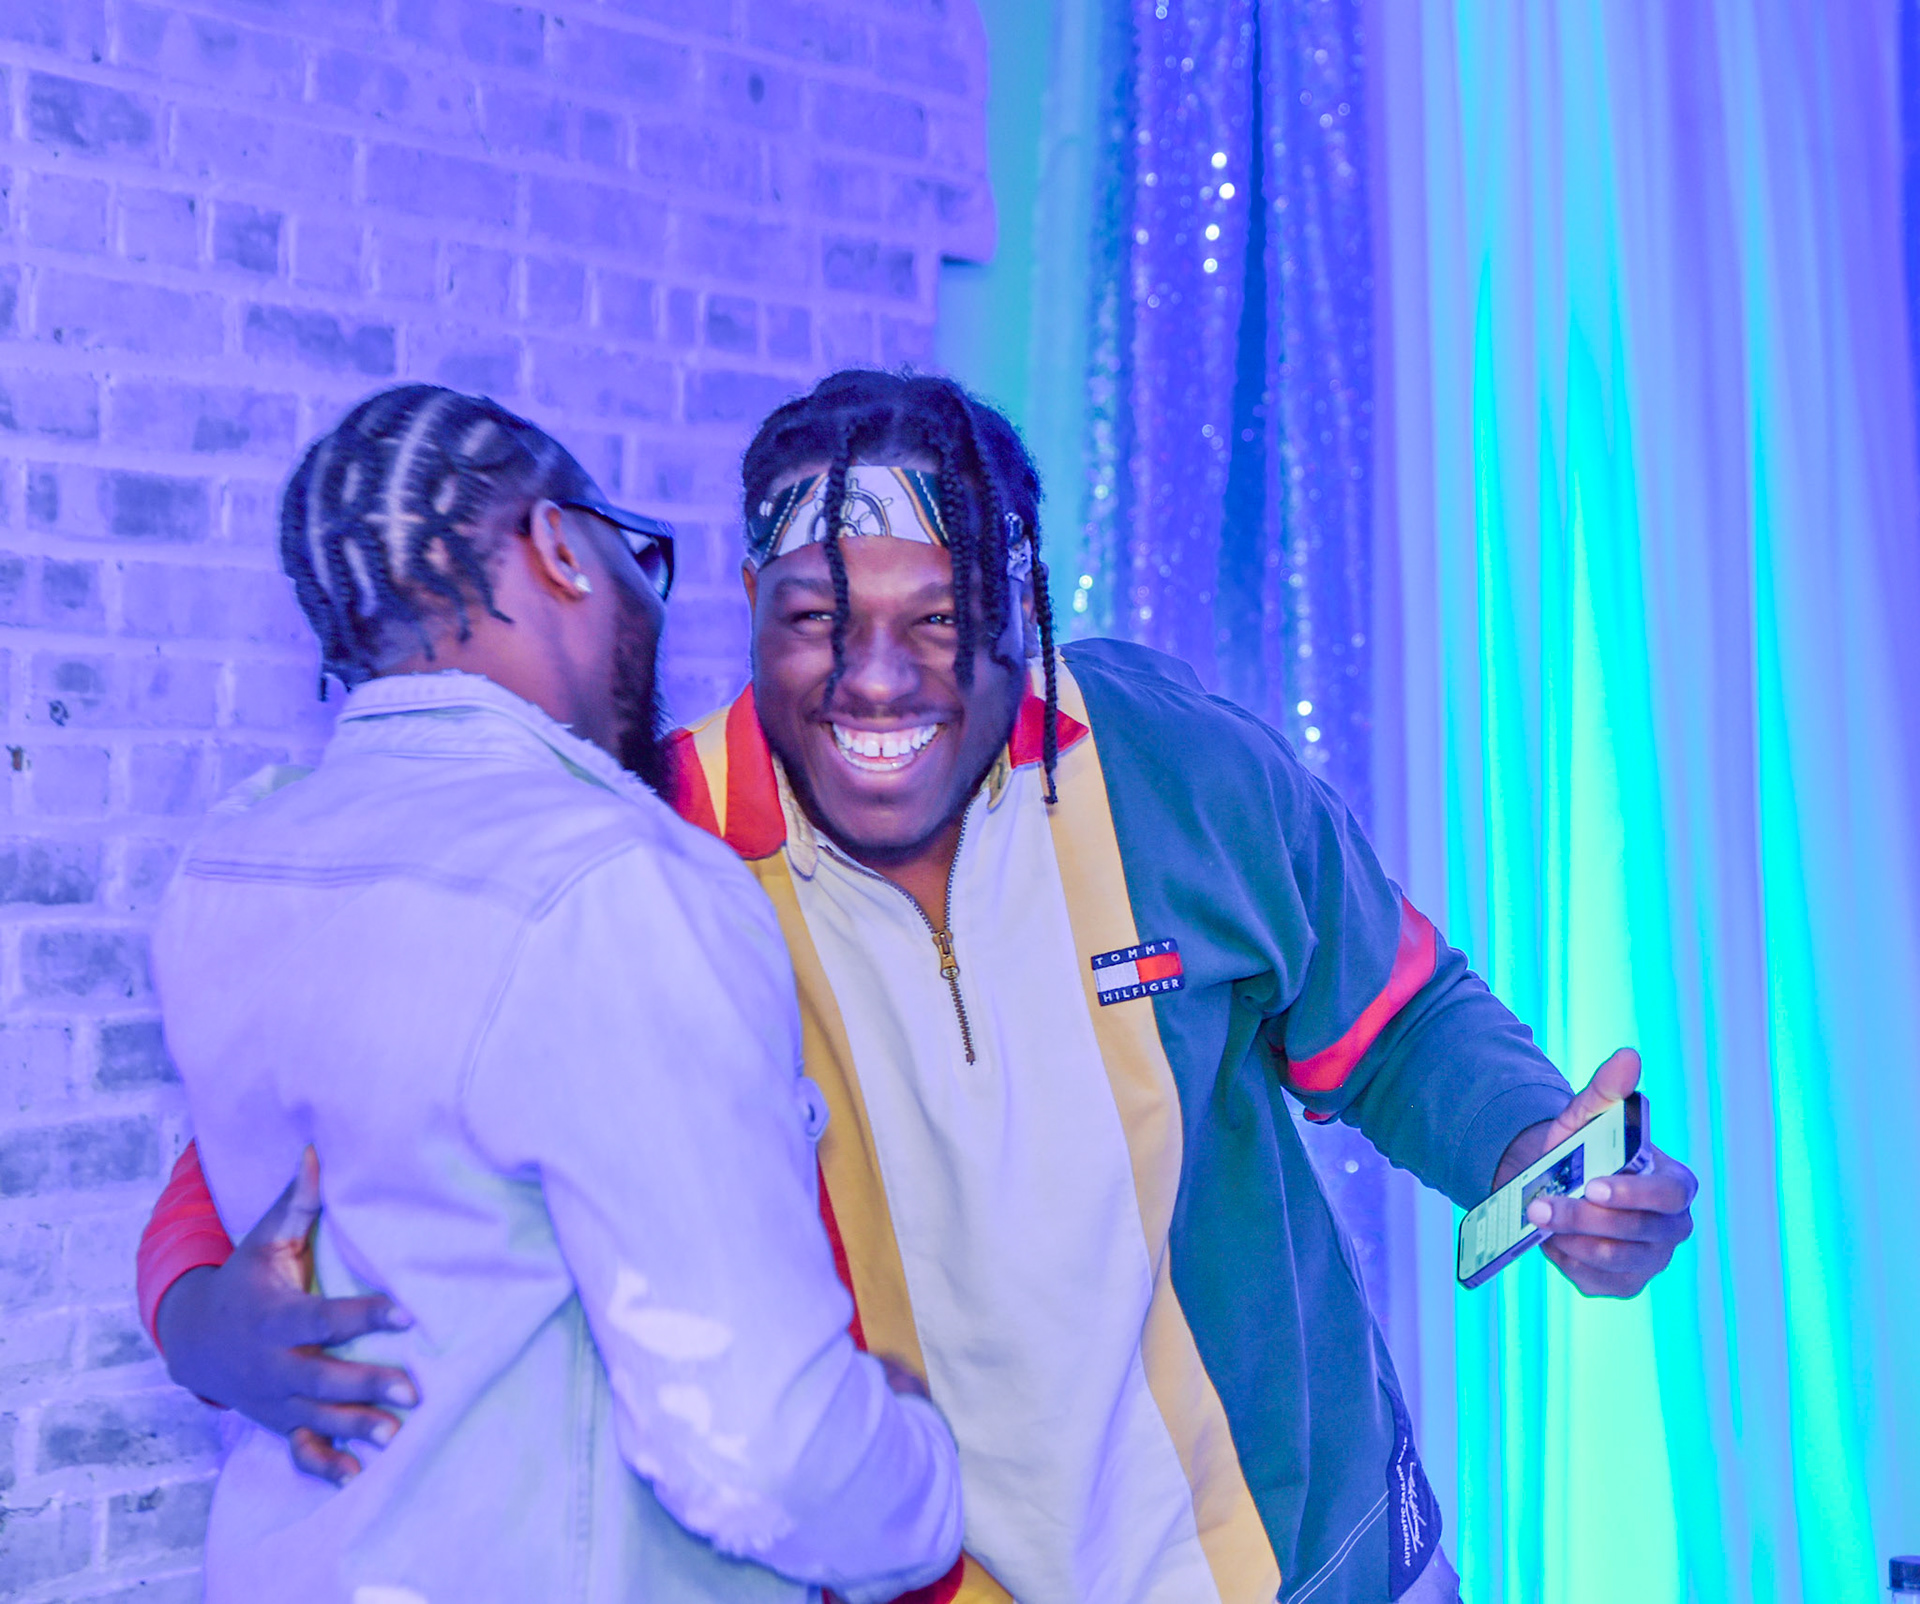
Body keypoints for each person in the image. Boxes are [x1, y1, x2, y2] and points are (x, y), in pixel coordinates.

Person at [141, 372, 1697, 1603]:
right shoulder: (650, 856)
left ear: (1016, 604)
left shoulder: (1164, 758)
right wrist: (209, 1327)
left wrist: (1534, 1156)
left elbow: (1397, 1017)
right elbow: (301, 1137)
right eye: (818, 618)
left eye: (938, 618)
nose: (876, 677)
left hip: (1296, 1564)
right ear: (750, 603)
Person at [146, 385, 964, 1604]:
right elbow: (760, 1447)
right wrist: (918, 1476)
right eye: (639, 557)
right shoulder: (613, 882)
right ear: (557, 547)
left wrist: (198, 1327)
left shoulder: (232, 860)